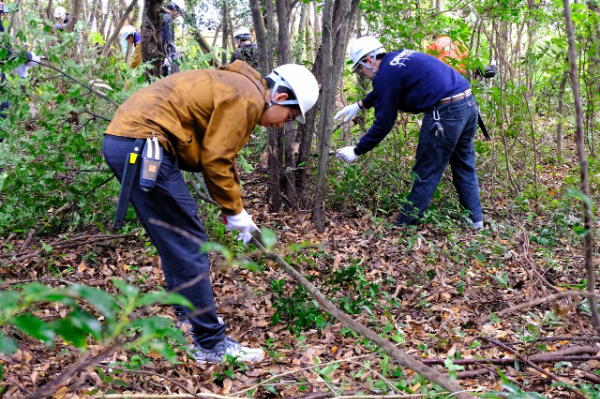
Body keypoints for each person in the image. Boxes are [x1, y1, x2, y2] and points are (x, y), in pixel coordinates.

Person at [103, 60, 319, 363]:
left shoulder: (239, 88)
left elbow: (220, 154)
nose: (282, 124)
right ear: (281, 98)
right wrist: (236, 213)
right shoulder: (248, 95)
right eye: (290, 116)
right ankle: (210, 344)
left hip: (127, 141)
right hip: (142, 144)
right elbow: (215, 160)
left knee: (176, 240)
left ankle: (189, 321)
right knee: (189, 241)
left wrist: (235, 208)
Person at [334, 36, 483, 229]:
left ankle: (404, 227)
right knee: (464, 165)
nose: (362, 73)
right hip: (467, 104)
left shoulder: (385, 74)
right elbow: (388, 89)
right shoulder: (397, 59)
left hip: (445, 113)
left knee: (426, 172)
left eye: (360, 68)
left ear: (369, 60)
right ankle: (476, 222)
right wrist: (360, 104)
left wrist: (357, 150)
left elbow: (383, 124)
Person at [161, 2, 181, 76]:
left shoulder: (163, 16)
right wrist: (168, 56)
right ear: (175, 10)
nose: (177, 16)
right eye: (177, 14)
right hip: (167, 54)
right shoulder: (168, 18)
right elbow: (167, 39)